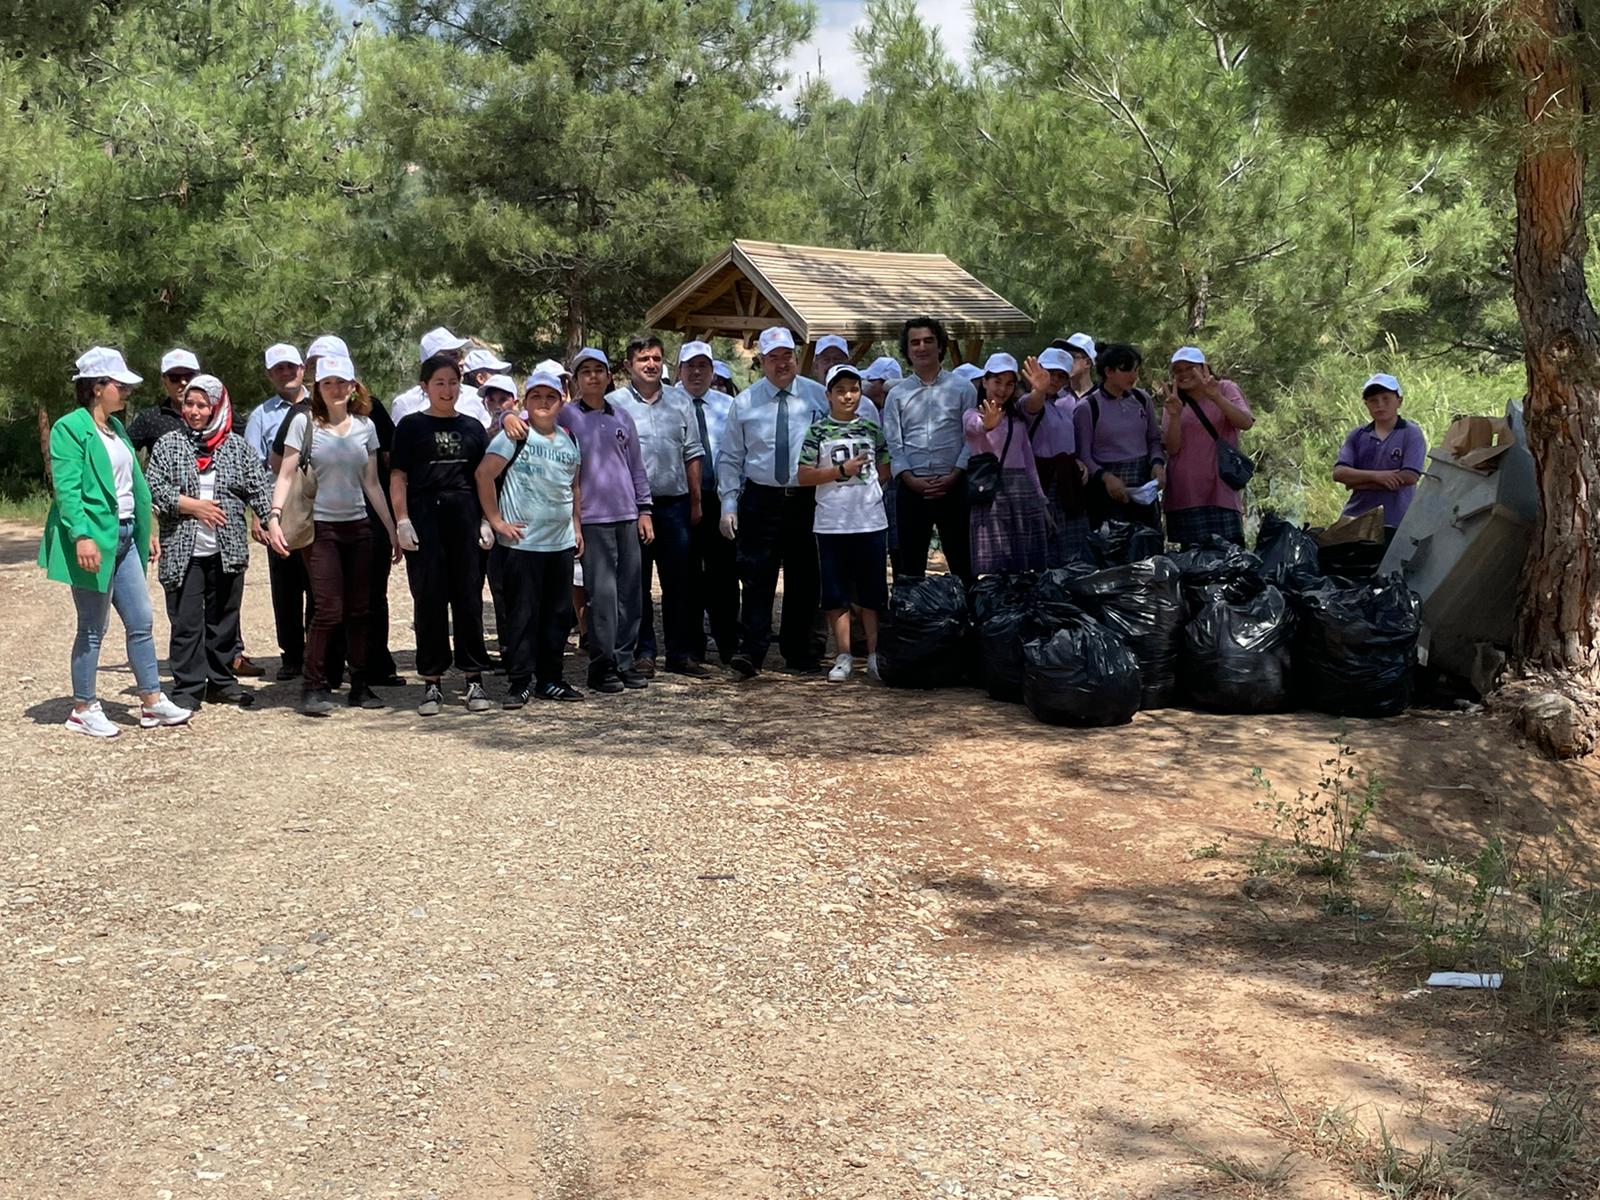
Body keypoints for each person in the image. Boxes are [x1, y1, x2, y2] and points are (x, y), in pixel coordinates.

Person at [40, 347, 192, 736]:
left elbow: (132, 486)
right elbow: (68, 490)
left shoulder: (117, 428)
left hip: (126, 534)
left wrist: (148, 529)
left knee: (141, 620)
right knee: (93, 625)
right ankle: (83, 708)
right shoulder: (69, 429)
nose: (125, 391)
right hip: (95, 538)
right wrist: (82, 536)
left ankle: (151, 702)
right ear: (96, 387)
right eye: (118, 385)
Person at [265, 354, 401, 716]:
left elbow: (372, 483)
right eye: (328, 384)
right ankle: (314, 684)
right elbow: (287, 474)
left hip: (358, 526)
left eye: (343, 383)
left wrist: (391, 528)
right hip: (319, 528)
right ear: (318, 389)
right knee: (327, 609)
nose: (336, 389)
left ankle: (359, 683)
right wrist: (274, 517)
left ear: (354, 387)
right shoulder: (304, 424)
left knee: (360, 609)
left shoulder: (365, 427)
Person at [145, 374, 275, 711]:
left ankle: (221, 681)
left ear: (217, 407)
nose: (194, 410)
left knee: (223, 620)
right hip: (183, 549)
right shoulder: (169, 444)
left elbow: (259, 488)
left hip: (226, 548)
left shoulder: (235, 446)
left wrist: (269, 518)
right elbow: (153, 487)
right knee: (187, 622)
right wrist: (191, 505)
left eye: (202, 405)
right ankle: (188, 687)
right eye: (189, 403)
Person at [717, 326, 831, 677]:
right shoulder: (745, 402)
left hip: (806, 498)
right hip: (761, 498)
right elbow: (730, 457)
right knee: (756, 576)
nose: (782, 364)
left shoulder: (818, 397)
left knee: (806, 576)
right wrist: (728, 505)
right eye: (773, 358)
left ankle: (799, 650)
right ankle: (752, 651)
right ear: (761, 361)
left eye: (788, 356)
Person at [390, 355, 494, 715]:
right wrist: (402, 521)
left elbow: (483, 478)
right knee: (429, 599)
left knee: (468, 599)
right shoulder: (410, 426)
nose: (447, 390)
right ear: (424, 386)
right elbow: (398, 476)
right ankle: (432, 682)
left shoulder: (473, 427)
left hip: (464, 516)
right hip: (424, 517)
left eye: (452, 382)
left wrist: (486, 520)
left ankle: (473, 679)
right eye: (439, 383)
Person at [475, 369, 585, 706]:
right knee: (522, 615)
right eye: (536, 397)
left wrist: (577, 527)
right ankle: (520, 680)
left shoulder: (569, 438)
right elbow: (484, 475)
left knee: (557, 614)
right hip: (523, 544)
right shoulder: (514, 436)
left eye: (550, 397)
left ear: (560, 401)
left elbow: (574, 486)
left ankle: (550, 679)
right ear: (526, 402)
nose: (543, 403)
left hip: (560, 542)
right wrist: (495, 520)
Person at [557, 348, 654, 694]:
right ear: (576, 380)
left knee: (631, 592)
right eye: (586, 372)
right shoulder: (565, 417)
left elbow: (637, 468)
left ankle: (624, 661)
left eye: (600, 370)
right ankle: (601, 665)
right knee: (602, 595)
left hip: (627, 515)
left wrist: (645, 510)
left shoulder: (621, 417)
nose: (594, 377)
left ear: (610, 376)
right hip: (592, 519)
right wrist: (573, 522)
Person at [608, 335, 706, 677]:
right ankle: (644, 652)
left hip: (675, 506)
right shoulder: (613, 404)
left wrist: (696, 501)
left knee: (679, 583)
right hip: (631, 508)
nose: (651, 364)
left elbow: (692, 452)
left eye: (656, 358)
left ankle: (680, 653)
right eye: (643, 359)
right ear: (628, 366)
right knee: (636, 584)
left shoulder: (681, 401)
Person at [795, 364, 890, 683]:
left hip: (870, 522)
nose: (847, 395)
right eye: (840, 390)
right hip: (832, 523)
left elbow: (885, 466)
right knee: (836, 594)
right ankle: (843, 655)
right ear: (828, 395)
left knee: (872, 593)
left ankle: (875, 655)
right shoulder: (817, 431)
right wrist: (841, 472)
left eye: (853, 389)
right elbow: (804, 475)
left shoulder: (871, 429)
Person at [882, 316, 976, 580]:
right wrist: (910, 479)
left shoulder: (963, 388)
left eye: (928, 341)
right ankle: (912, 620)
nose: (921, 347)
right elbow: (894, 443)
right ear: (907, 350)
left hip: (955, 485)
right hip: (912, 489)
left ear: (940, 345)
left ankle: (967, 618)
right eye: (915, 343)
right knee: (910, 565)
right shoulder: (896, 395)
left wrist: (956, 474)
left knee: (962, 562)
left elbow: (971, 436)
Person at [246, 342, 314, 681]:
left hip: (318, 505)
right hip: (280, 507)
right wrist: (260, 513)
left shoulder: (320, 406)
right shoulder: (261, 415)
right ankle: (292, 654)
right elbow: (254, 467)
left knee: (320, 580)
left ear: (302, 369)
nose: (286, 373)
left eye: (291, 367)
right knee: (286, 584)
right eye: (279, 369)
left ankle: (320, 651)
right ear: (270, 375)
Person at [678, 341, 739, 665]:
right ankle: (691, 645)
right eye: (690, 366)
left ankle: (729, 642)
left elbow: (734, 454)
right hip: (681, 500)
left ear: (712, 370)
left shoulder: (730, 405)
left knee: (725, 576)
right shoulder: (669, 402)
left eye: (703, 366)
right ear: (679, 370)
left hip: (719, 498)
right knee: (686, 575)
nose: (697, 372)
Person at [964, 353, 1053, 575]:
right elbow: (976, 427)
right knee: (993, 565)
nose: (1002, 390)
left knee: (1027, 566)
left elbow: (1029, 463)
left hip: (1022, 495)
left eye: (1009, 384)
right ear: (984, 382)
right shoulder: (971, 415)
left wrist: (1041, 501)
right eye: (997, 382)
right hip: (990, 495)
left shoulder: (1017, 419)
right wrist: (987, 424)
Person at [1161, 346, 1254, 548]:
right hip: (1185, 493)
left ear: (1204, 368)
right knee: (1193, 564)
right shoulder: (1174, 401)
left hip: (1221, 490)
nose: (1184, 374)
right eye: (1178, 370)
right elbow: (1172, 448)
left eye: (1190, 368)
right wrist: (1175, 415)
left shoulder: (1226, 388)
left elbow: (1245, 422)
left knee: (1230, 559)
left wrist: (1216, 397)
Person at [1074, 342, 1167, 531]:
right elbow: (1084, 455)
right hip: (1105, 491)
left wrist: (1157, 463)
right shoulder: (1088, 407)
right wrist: (1106, 477)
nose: (1133, 376)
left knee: (1148, 548)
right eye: (1126, 370)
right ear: (1108, 371)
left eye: (1136, 370)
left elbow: (1154, 439)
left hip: (1143, 484)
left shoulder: (1142, 399)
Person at [1333, 372, 1426, 544]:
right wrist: (1379, 477)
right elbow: (1339, 473)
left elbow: (1409, 476)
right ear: (1366, 404)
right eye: (1373, 400)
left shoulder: (1411, 433)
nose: (1380, 405)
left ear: (1399, 401)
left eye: (1386, 398)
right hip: (1355, 518)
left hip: (1397, 521)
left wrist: (1356, 482)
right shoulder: (1357, 435)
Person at [1020, 354, 1092, 564]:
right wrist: (1039, 389)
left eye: (1061, 376)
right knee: (1047, 549)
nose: (1054, 380)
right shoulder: (1028, 401)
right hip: (1043, 482)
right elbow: (1033, 406)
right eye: (1050, 373)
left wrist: (1076, 461)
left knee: (1077, 549)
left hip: (1069, 483)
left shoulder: (1065, 405)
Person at [390, 327, 490, 428]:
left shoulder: (476, 397)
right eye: (454, 355)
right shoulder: (405, 404)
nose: (462, 362)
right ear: (433, 361)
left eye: (461, 355)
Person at [128, 347, 200, 456]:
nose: (183, 382)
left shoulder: (218, 416)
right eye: (174, 378)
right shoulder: (150, 418)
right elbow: (121, 452)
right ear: (164, 381)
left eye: (189, 376)